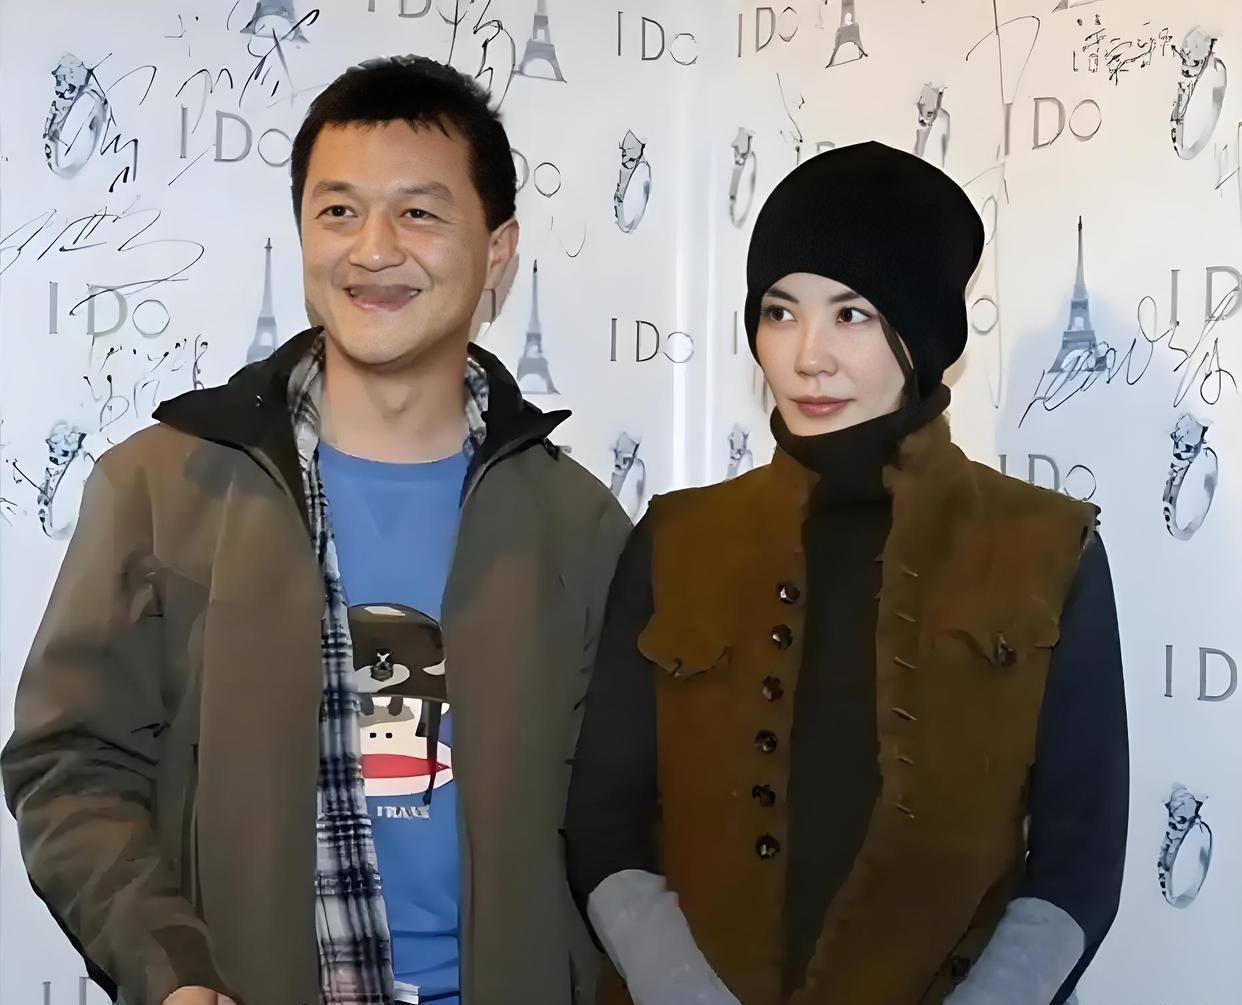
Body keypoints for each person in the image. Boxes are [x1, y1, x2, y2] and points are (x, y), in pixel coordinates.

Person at [2, 55, 629, 1005]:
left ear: (498, 251)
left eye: (418, 213)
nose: (373, 250)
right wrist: (170, 970)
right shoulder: (161, 488)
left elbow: (626, 814)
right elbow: (71, 763)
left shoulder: (577, 522)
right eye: (339, 210)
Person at [564, 141, 1129, 1005]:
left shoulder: (1048, 547)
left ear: (925, 334)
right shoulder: (676, 538)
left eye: (853, 314)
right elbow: (605, 824)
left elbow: (1078, 862)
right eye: (779, 311)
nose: (807, 356)